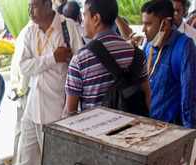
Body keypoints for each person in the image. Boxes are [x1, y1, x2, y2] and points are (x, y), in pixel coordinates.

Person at [15, 0, 83, 165]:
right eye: (29, 5)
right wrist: (52, 58)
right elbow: (24, 67)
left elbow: (79, 64)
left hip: (56, 113)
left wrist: (71, 110)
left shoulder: (67, 27)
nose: (30, 10)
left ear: (48, 4)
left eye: (35, 5)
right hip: (32, 108)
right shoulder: (30, 31)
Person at [65, 0, 151, 113]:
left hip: (95, 129)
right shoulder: (136, 54)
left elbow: (71, 110)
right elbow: (147, 97)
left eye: (84, 15)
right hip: (133, 128)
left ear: (96, 18)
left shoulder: (80, 59)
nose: (82, 22)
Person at [142, 0, 196, 128]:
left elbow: (188, 95)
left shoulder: (184, 46)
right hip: (146, 125)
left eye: (148, 24)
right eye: (143, 24)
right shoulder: (149, 45)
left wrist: (189, 133)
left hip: (171, 130)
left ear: (165, 24)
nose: (143, 29)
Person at [9, 24, 31, 165]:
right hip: (26, 92)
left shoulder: (25, 30)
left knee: (20, 131)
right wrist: (21, 89)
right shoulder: (31, 32)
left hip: (21, 90)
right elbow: (23, 66)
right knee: (24, 133)